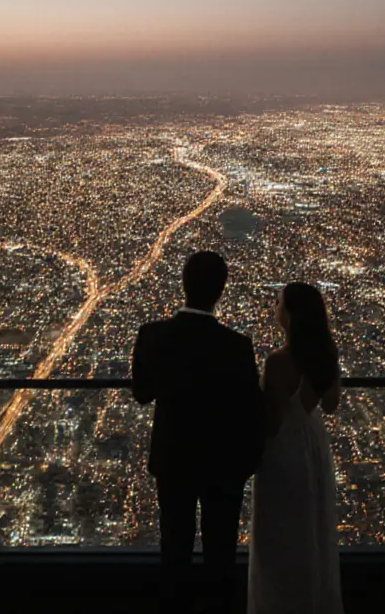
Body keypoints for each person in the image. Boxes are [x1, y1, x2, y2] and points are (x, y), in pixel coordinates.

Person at [133, 250, 265, 614]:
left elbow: (142, 394)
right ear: (221, 291)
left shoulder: (152, 336)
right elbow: (252, 407)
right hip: (224, 463)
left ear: (183, 285)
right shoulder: (237, 346)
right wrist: (248, 462)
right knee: (221, 551)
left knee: (174, 545)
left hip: (173, 458)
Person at [248, 282, 344, 614]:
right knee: (311, 528)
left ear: (291, 314)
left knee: (279, 533)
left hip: (283, 452)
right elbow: (331, 405)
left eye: (278, 303)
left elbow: (272, 424)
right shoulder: (327, 353)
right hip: (313, 443)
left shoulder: (277, 362)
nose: (275, 308)